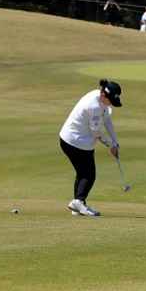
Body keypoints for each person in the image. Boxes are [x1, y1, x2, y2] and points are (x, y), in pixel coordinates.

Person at [58, 79, 122, 217]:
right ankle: (79, 202)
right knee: (88, 174)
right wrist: (110, 145)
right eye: (110, 100)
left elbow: (107, 119)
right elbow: (96, 132)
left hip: (73, 140)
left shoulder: (98, 96)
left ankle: (77, 204)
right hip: (75, 142)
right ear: (104, 95)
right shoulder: (93, 107)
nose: (111, 103)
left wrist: (115, 142)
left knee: (82, 173)